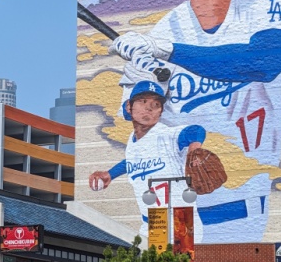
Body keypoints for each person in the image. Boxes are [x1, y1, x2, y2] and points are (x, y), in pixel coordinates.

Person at [108, 0, 281, 244]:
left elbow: (259, 62)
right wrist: (142, 72)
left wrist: (168, 52)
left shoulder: (268, 6)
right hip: (171, 211)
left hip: (241, 211)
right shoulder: (162, 32)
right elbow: (139, 125)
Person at [89, 80, 207, 237]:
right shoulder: (133, 140)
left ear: (161, 112)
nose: (149, 107)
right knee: (146, 261)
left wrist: (194, 149)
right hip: (152, 221)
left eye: (156, 104)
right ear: (129, 107)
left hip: (181, 219)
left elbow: (195, 131)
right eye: (143, 101)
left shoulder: (166, 135)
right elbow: (131, 161)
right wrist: (110, 174)